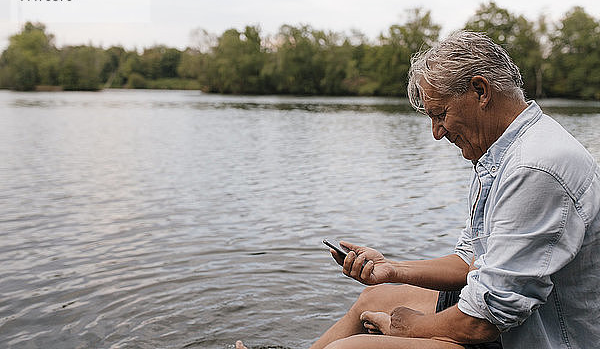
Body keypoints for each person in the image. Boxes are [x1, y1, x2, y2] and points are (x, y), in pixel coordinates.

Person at [236, 31, 600, 349]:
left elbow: (482, 321)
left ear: (480, 91)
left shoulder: (533, 167)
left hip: (540, 339)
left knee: (352, 347)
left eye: (440, 114)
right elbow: (471, 260)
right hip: (512, 325)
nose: (437, 133)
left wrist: (413, 328)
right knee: (374, 297)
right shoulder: (504, 151)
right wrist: (392, 270)